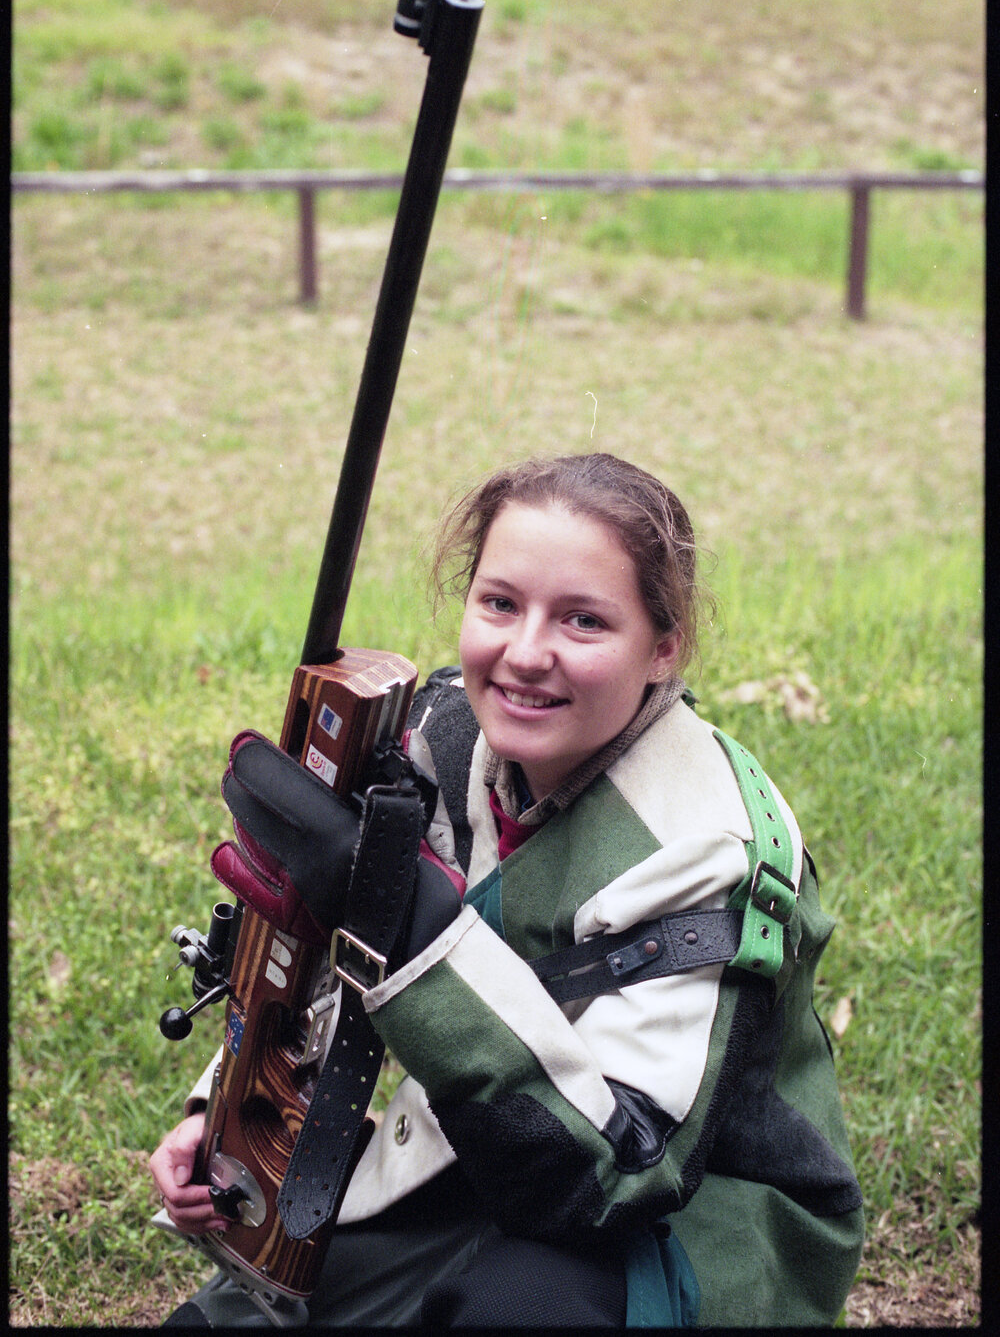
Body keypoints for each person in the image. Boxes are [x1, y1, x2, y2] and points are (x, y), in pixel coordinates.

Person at [150, 452, 864, 1327]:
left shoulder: (710, 848)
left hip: (688, 1219)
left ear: (665, 644)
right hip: (490, 1149)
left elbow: (619, 1176)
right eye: (500, 603)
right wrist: (228, 1109)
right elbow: (322, 978)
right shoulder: (440, 735)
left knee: (511, 1313)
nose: (526, 655)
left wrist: (406, 929)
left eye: (584, 621)